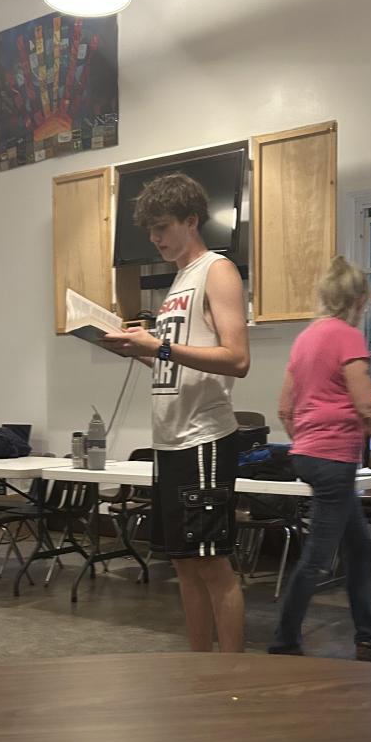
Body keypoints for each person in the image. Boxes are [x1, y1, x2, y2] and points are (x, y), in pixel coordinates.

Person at [103, 173, 250, 653]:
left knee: (212, 563)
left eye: (162, 227)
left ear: (191, 220)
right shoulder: (179, 282)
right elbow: (176, 362)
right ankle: (199, 666)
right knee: (184, 562)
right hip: (170, 440)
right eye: (150, 230)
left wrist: (159, 347)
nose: (155, 238)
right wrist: (140, 352)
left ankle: (230, 672)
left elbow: (237, 359)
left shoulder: (216, 270)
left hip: (203, 437)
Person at [270, 256, 371, 662]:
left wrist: (308, 442)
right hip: (333, 461)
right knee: (317, 558)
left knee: (358, 547)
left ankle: (368, 637)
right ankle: (283, 642)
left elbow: (284, 408)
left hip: (306, 455)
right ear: (361, 300)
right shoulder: (348, 337)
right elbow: (368, 408)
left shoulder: (305, 339)